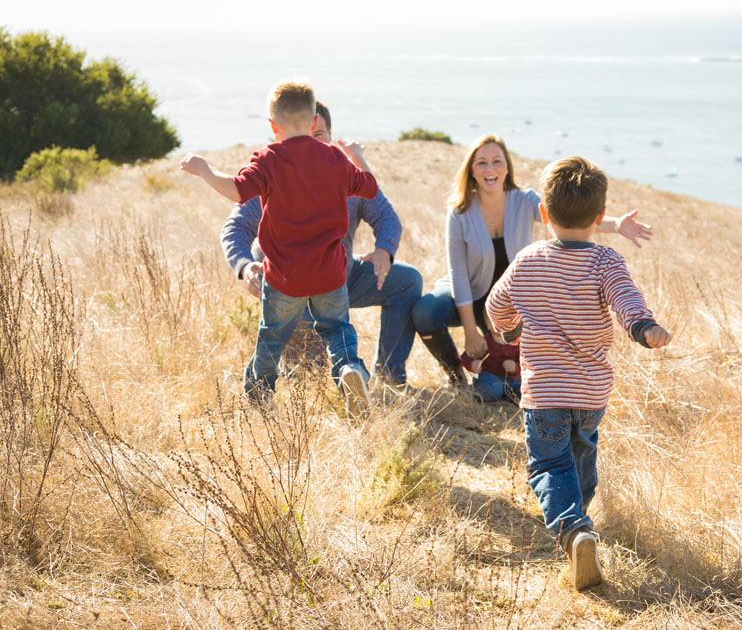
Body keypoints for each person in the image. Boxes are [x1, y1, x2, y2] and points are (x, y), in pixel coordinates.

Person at [485, 156, 672, 591]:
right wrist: (644, 328)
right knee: (582, 454)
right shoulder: (606, 262)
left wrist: (510, 327)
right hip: (590, 392)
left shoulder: (528, 258)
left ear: (544, 214)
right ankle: (580, 524)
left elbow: (496, 304)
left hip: (544, 391)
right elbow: (627, 300)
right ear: (601, 216)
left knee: (549, 466)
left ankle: (573, 530)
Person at [180, 80, 376, 413]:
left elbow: (237, 190)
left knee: (272, 336)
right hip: (330, 273)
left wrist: (205, 170)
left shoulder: (270, 159)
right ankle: (349, 369)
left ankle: (260, 398)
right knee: (337, 329)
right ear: (315, 121)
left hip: (285, 276)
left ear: (273, 126)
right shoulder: (334, 159)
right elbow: (369, 187)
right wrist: (356, 156)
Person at [410, 135, 653, 391]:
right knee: (425, 312)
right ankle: (456, 376)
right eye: (481, 162)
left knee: (522, 371)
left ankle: (514, 381)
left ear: (507, 166)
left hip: (515, 297)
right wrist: (470, 330)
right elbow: (458, 273)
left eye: (496, 160)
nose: (490, 168)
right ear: (471, 170)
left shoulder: (524, 200)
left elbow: (569, 215)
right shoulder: (459, 211)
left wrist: (617, 225)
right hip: (472, 293)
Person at [221, 101, 423, 387]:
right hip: (290, 284)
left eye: (316, 136)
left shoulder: (342, 171)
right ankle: (279, 386)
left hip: (339, 275)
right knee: (309, 376)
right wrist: (245, 266)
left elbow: (386, 216)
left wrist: (384, 251)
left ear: (329, 135)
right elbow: (235, 227)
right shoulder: (273, 172)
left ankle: (390, 376)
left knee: (407, 282)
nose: (308, 147)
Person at [459, 329, 521, 401]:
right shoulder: (484, 342)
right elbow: (466, 356)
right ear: (487, 323)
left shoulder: (517, 342)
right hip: (490, 378)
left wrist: (515, 367)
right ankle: (471, 390)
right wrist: (472, 364)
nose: (499, 326)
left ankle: (507, 395)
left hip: (512, 380)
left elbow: (526, 362)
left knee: (525, 389)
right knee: (492, 390)